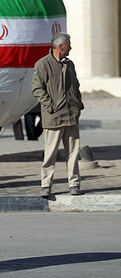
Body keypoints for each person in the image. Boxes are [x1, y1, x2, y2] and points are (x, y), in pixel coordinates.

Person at [32, 33, 84, 198]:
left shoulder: (70, 65)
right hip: (53, 117)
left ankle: (74, 184)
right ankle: (46, 185)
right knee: (50, 154)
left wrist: (78, 105)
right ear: (61, 47)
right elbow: (37, 89)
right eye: (69, 45)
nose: (71, 48)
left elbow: (75, 86)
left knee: (73, 153)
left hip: (71, 116)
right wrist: (51, 106)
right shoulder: (43, 64)